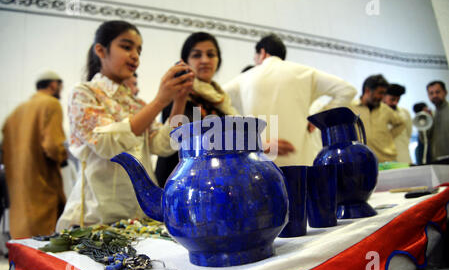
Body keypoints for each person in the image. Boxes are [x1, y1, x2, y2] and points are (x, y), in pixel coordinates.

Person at [56, 20, 194, 231]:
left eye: (139, 50)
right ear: (101, 50)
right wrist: (160, 101)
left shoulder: (137, 103)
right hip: (96, 218)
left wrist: (179, 100)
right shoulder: (84, 93)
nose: (135, 55)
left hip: (138, 218)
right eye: (126, 47)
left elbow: (164, 145)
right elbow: (107, 145)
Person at [223, 33, 357, 167]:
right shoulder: (305, 73)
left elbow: (214, 98)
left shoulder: (244, 79)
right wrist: (318, 120)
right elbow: (347, 90)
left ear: (262, 53)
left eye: (255, 58)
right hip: (299, 166)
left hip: (258, 167)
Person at [155, 32, 238, 187]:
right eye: (197, 55)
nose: (205, 60)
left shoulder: (222, 100)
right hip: (181, 183)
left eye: (211, 54)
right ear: (186, 61)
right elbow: (182, 136)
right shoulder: (177, 94)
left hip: (213, 183)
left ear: (218, 60)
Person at [2, 70, 67, 238]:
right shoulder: (50, 104)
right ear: (53, 85)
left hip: (17, 193)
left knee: (23, 248)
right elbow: (53, 146)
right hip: (42, 189)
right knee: (42, 250)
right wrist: (65, 154)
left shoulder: (16, 112)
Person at [350, 74, 405, 163]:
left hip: (386, 160)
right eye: (380, 93)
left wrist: (388, 137)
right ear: (367, 90)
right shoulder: (351, 107)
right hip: (360, 161)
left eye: (384, 93)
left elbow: (401, 123)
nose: (381, 97)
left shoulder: (385, 109)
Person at [382, 84, 412, 163]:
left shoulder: (405, 113)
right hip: (384, 160)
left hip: (404, 158)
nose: (395, 103)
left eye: (398, 100)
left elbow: (409, 134)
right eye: (392, 99)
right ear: (383, 97)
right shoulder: (376, 115)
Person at [426, 80, 449, 163]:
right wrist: (426, 121)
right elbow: (425, 139)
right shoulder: (430, 114)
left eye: (437, 92)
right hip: (437, 161)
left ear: (445, 92)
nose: (434, 95)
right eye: (431, 93)